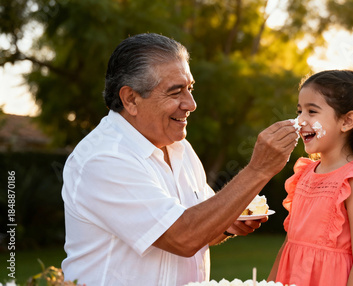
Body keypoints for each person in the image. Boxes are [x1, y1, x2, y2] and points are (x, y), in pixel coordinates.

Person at [61, 33, 298, 286]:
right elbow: (183, 236)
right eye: (176, 92)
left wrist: (228, 225)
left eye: (190, 88)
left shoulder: (179, 147)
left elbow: (204, 226)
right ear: (130, 99)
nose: (191, 104)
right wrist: (258, 170)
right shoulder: (104, 159)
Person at [268, 70, 353, 286]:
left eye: (312, 111)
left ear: (347, 121)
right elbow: (289, 244)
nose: (300, 121)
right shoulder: (304, 174)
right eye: (299, 111)